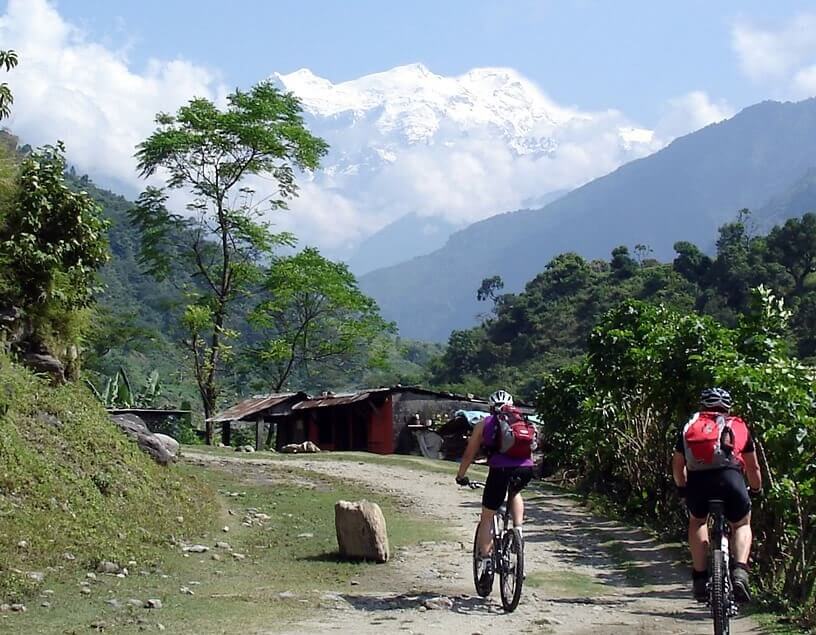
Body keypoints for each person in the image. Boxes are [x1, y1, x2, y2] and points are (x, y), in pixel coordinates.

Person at [672, 387, 763, 603]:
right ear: (727, 407)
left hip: (699, 483)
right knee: (741, 524)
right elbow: (753, 467)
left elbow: (677, 465)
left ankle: (700, 578)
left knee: (697, 521)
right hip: (732, 480)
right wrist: (757, 488)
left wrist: (682, 488)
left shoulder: (690, 426)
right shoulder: (737, 426)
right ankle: (740, 570)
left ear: (703, 406)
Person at [455, 389, 534, 577]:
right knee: (514, 493)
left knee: (487, 516)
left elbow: (469, 453)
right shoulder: (523, 420)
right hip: (525, 469)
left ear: (491, 407)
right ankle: (518, 531)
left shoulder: (485, 423)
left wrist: (461, 475)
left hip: (500, 470)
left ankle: (487, 561)